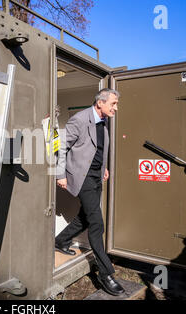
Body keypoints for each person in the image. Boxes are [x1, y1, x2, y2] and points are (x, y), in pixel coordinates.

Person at [55, 88, 124, 296]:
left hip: (95, 176)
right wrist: (60, 175)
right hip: (81, 177)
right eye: (113, 103)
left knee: (86, 217)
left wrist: (103, 168)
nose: (116, 108)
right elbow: (62, 147)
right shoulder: (79, 119)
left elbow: (98, 149)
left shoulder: (104, 121)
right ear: (100, 103)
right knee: (97, 223)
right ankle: (106, 274)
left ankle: (60, 240)